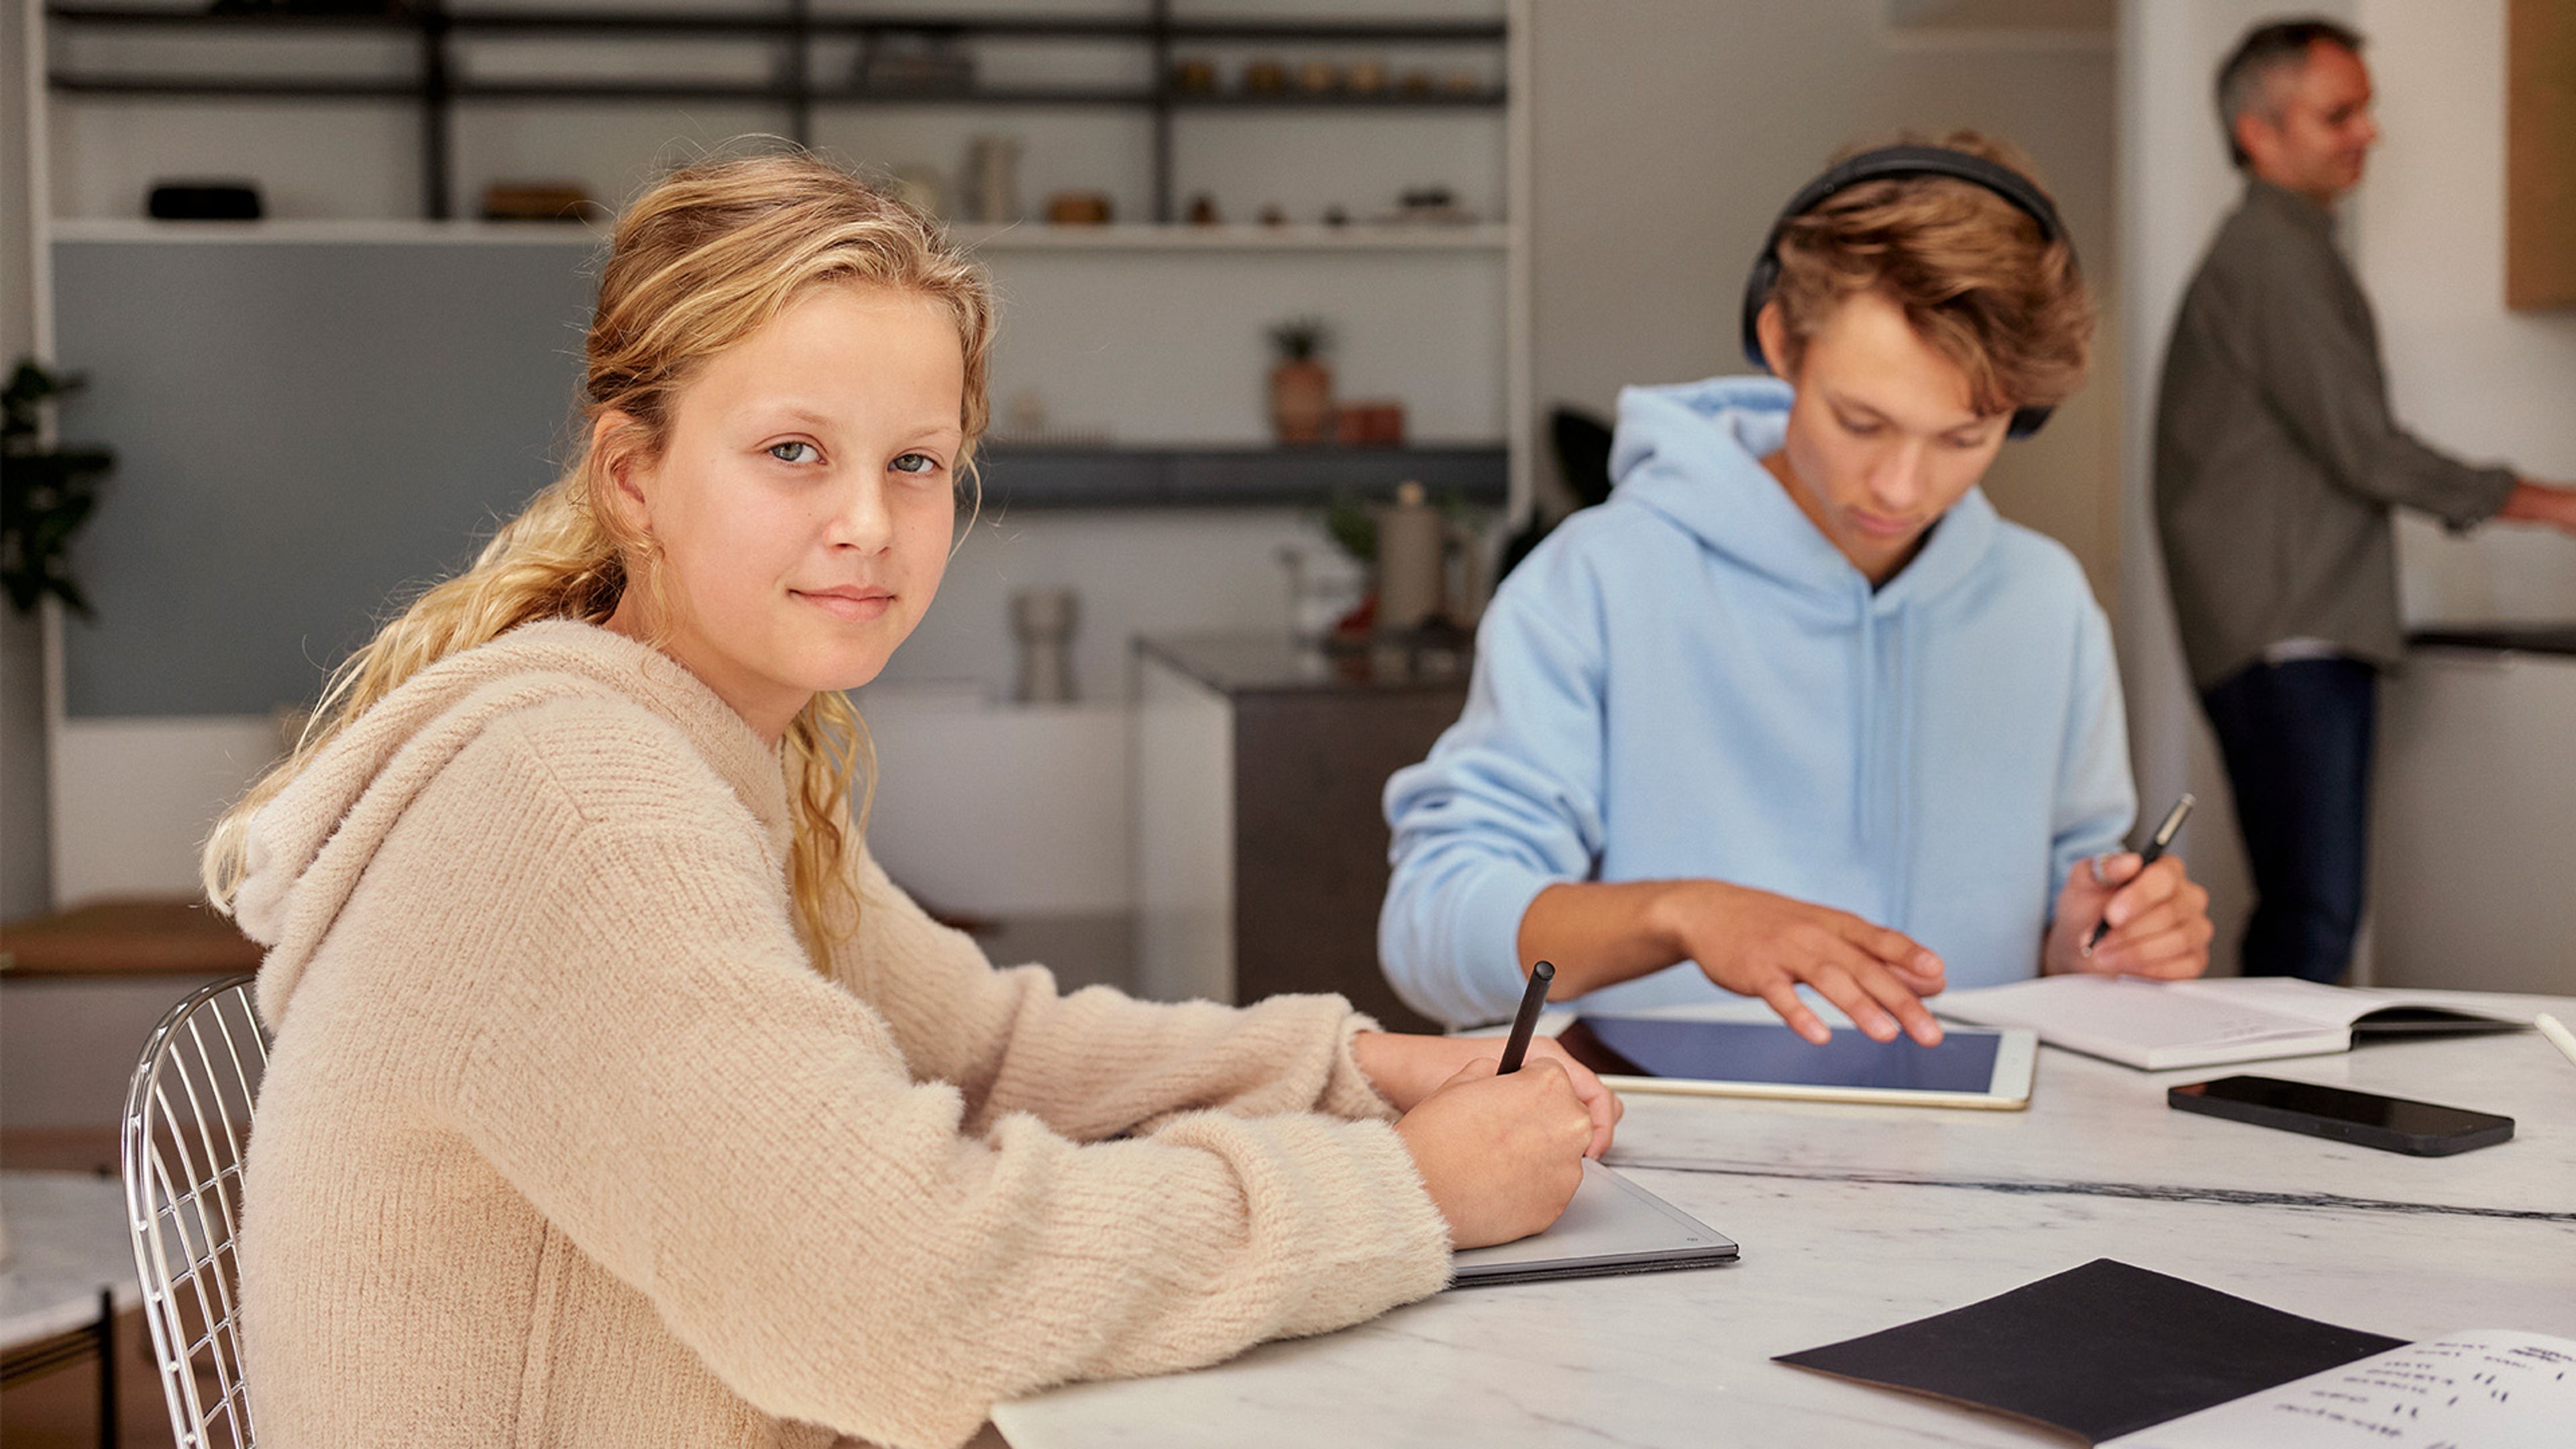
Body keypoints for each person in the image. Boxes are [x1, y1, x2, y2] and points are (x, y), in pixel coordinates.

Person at [207, 152, 1619, 1449]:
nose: (869, 523)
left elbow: (984, 1047)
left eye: (915, 464)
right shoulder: (582, 805)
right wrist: (1411, 1195)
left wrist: (1354, 1077)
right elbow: (896, 1298)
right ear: (634, 479)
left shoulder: (711, 747)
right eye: (793, 453)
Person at [1381, 133, 2214, 1038]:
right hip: (1660, 1149)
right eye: (1861, 421)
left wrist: (2097, 944)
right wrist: (1683, 915)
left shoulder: (2047, 607)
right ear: (1780, 341)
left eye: (1962, 439)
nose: (1902, 488)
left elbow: (2070, 929)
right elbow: (1432, 926)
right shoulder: (1597, 581)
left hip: (1974, 1159)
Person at [2154, 19, 2576, 984]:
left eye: (2366, 110)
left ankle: (2256, 1115)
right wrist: (2553, 505)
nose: (2368, 133)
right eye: (2339, 113)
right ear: (2260, 134)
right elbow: (2367, 451)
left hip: (2273, 627)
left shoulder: (2280, 249)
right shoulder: (2273, 255)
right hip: (2289, 631)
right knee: (2314, 918)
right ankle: (2260, 1121)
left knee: (2307, 913)